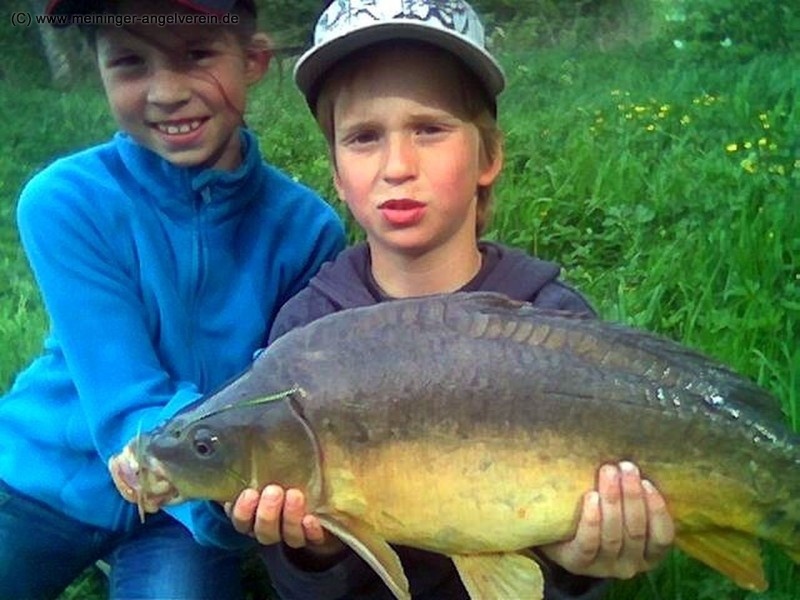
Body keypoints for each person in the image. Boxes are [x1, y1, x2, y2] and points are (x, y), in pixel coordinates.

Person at [222, 1, 676, 599]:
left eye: (429, 129)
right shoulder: (305, 335)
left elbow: (571, 582)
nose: (397, 166)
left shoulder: (555, 319)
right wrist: (316, 548)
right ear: (335, 171)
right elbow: (300, 585)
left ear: (489, 156)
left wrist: (579, 561)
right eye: (363, 137)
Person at [0, 0, 344, 598]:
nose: (165, 92)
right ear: (99, 71)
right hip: (46, 476)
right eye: (130, 62)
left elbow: (282, 392)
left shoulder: (308, 230)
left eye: (197, 54)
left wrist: (230, 495)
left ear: (254, 59)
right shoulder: (64, 200)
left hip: (190, 501)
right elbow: (123, 394)